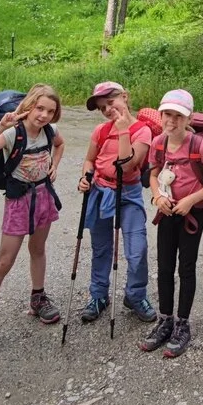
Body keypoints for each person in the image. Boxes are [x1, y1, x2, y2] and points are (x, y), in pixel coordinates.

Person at [0, 84, 65, 354]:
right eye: (40, 108)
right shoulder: (12, 134)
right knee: (4, 261)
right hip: (19, 201)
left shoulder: (50, 131)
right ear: (29, 106)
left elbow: (60, 144)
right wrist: (0, 127)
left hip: (44, 195)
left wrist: (55, 164)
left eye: (50, 111)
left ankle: (37, 297)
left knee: (38, 249)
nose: (44, 115)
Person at [142, 90, 203, 357]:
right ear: (161, 114)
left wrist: (190, 200)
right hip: (166, 212)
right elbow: (153, 174)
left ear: (188, 118)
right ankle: (165, 320)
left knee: (186, 268)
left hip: (191, 214)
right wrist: (156, 196)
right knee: (164, 267)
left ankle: (183, 323)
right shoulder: (158, 143)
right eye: (167, 115)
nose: (171, 121)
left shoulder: (200, 146)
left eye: (178, 116)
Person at [76, 82, 157, 324]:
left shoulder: (142, 131)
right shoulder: (100, 131)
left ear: (125, 97)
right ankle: (99, 295)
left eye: (111, 103)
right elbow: (90, 160)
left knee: (137, 249)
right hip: (100, 190)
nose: (108, 110)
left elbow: (128, 165)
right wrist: (85, 177)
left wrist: (122, 130)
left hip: (128, 192)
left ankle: (135, 295)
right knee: (101, 249)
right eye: (103, 107)